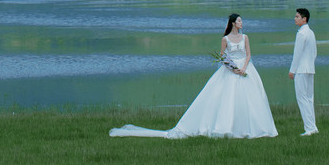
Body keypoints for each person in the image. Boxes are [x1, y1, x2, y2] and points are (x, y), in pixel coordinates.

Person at [110, 13, 278, 138]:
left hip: (245, 68)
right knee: (227, 99)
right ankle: (226, 127)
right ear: (233, 23)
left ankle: (252, 127)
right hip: (231, 70)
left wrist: (244, 68)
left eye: (241, 21)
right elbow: (223, 57)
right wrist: (233, 69)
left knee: (251, 99)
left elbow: (248, 54)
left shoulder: (245, 37)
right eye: (239, 21)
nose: (241, 23)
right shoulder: (225, 39)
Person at [289, 7, 318, 136]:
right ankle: (313, 127)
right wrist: (310, 64)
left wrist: (292, 70)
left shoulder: (301, 34)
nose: (295, 19)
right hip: (310, 69)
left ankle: (309, 128)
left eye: (297, 17)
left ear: (304, 19)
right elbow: (314, 53)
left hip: (301, 69)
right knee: (309, 98)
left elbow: (297, 54)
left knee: (302, 99)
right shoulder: (310, 32)